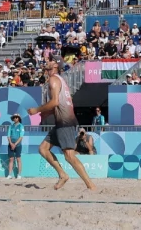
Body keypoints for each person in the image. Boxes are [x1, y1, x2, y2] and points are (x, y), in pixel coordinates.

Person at [28, 60, 96, 191]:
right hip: (61, 122)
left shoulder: (54, 79)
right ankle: (62, 174)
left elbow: (54, 102)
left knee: (69, 155)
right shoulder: (59, 80)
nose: (46, 62)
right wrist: (45, 113)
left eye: (50, 62)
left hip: (65, 122)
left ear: (54, 67)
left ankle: (90, 185)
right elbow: (58, 105)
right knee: (43, 149)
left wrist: (37, 110)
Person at [5, 113, 24, 179]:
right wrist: (11, 143)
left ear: (19, 118)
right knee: (11, 159)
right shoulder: (11, 126)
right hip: (11, 145)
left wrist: (15, 144)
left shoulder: (21, 126)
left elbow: (21, 137)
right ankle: (9, 174)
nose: (15, 118)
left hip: (18, 145)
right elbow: (8, 136)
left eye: (16, 117)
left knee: (18, 159)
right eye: (14, 117)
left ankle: (19, 174)